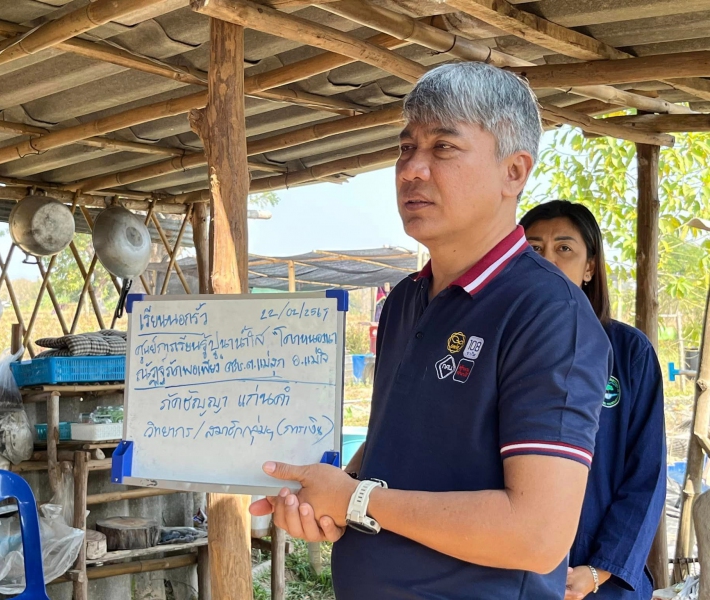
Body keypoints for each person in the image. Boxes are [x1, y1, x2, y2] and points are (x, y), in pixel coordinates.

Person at [250, 61, 612, 599]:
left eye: (443, 147)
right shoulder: (404, 300)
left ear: (514, 172)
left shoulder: (548, 313)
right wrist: (328, 495)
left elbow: (536, 534)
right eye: (406, 148)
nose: (411, 170)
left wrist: (354, 500)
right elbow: (392, 450)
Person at [520, 200, 666, 600]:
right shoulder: (501, 348)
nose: (547, 260)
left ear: (589, 268)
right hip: (512, 572)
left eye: (564, 248)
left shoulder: (629, 352)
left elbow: (647, 473)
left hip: (601, 581)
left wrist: (599, 570)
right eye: (534, 249)